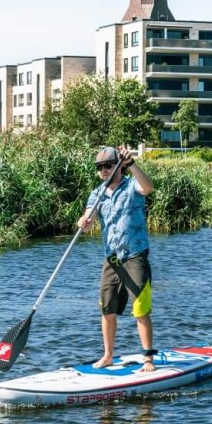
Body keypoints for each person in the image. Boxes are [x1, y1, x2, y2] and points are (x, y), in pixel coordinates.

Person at [77, 144, 157, 371]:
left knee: (140, 307)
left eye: (108, 165)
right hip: (111, 258)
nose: (104, 170)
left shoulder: (132, 186)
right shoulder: (97, 193)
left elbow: (148, 187)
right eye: (100, 167)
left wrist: (131, 164)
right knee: (107, 308)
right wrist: (83, 222)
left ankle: (148, 358)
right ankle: (108, 355)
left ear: (118, 166)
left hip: (134, 254)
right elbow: (88, 221)